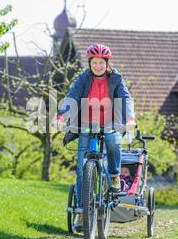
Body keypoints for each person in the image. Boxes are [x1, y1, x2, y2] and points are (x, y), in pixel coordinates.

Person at [56, 43, 135, 209]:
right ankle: (81, 208)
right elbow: (72, 97)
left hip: (111, 122)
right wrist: (62, 116)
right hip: (86, 123)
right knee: (81, 168)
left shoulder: (116, 79)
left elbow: (126, 99)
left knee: (113, 140)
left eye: (101, 63)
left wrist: (129, 119)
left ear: (107, 63)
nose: (98, 66)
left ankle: (114, 176)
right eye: (94, 63)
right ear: (89, 63)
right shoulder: (83, 78)